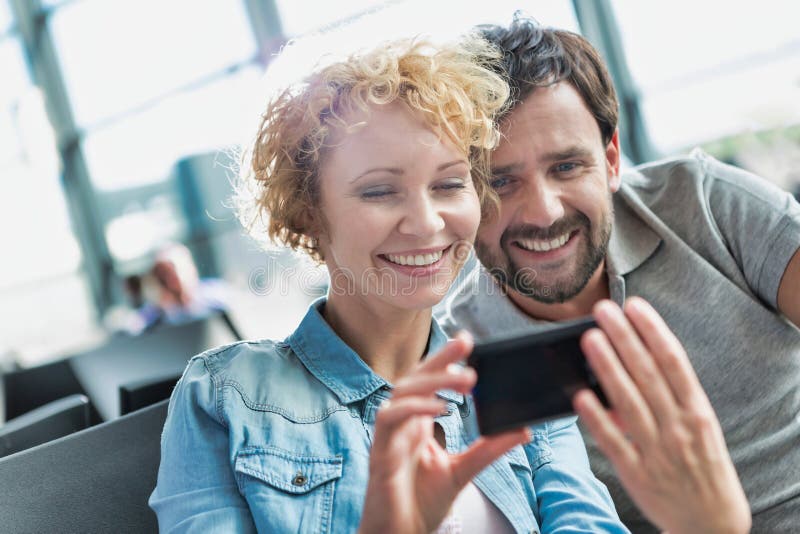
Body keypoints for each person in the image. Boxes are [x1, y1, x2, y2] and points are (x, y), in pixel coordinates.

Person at [149, 34, 629, 532]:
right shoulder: (228, 397)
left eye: (448, 184)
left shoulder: (518, 373)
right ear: (308, 215)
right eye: (380, 191)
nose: (425, 223)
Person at [436, 16, 800, 532]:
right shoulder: (456, 359)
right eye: (500, 181)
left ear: (610, 160)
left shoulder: (704, 203)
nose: (542, 212)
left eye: (566, 167)